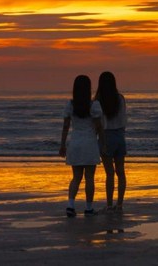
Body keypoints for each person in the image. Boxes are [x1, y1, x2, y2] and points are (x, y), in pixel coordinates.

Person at [59, 75, 103, 217]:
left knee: (76, 177)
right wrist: (103, 143)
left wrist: (62, 145)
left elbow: (65, 127)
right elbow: (99, 127)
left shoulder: (70, 105)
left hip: (75, 142)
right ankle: (89, 208)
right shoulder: (93, 106)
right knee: (89, 177)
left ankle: (70, 205)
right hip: (89, 143)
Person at [95, 71, 127, 212]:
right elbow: (124, 119)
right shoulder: (120, 99)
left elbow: (97, 124)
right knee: (121, 172)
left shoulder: (98, 101)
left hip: (106, 136)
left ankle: (109, 204)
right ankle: (119, 204)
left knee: (109, 173)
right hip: (119, 136)